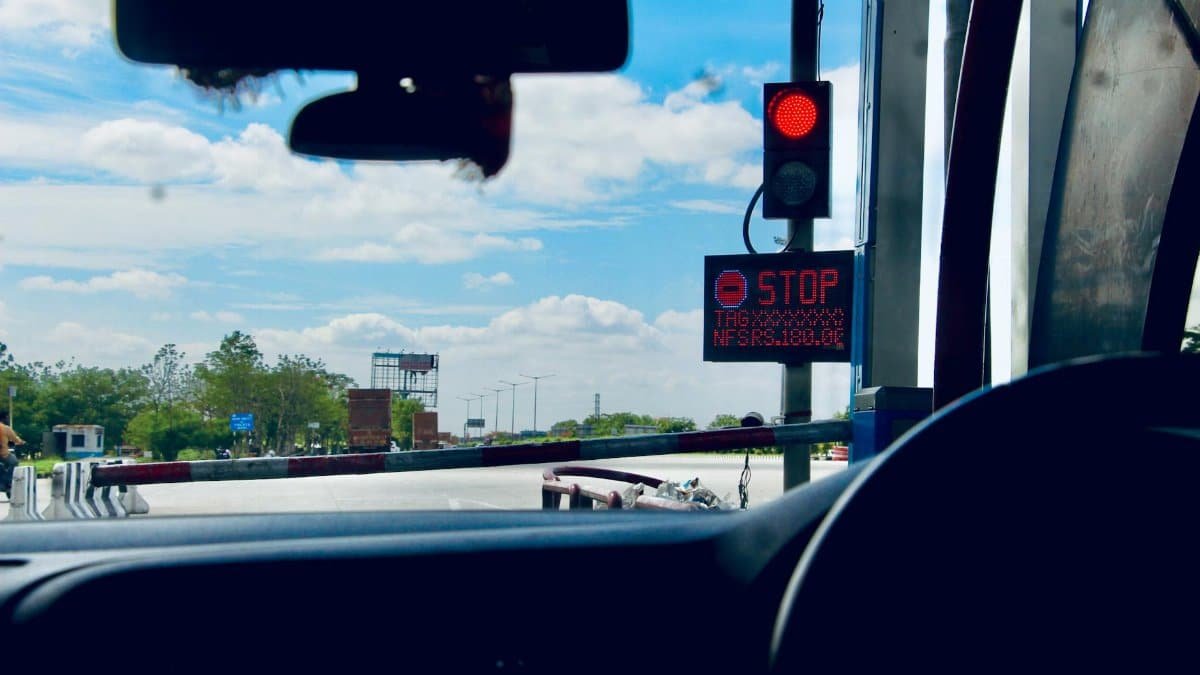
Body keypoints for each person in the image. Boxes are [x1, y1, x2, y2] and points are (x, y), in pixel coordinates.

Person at [0, 410, 26, 498]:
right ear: (5, 418)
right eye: (7, 418)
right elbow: (15, 439)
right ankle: (8, 482)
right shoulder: (5, 428)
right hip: (3, 454)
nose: (8, 420)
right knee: (14, 462)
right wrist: (21, 442)